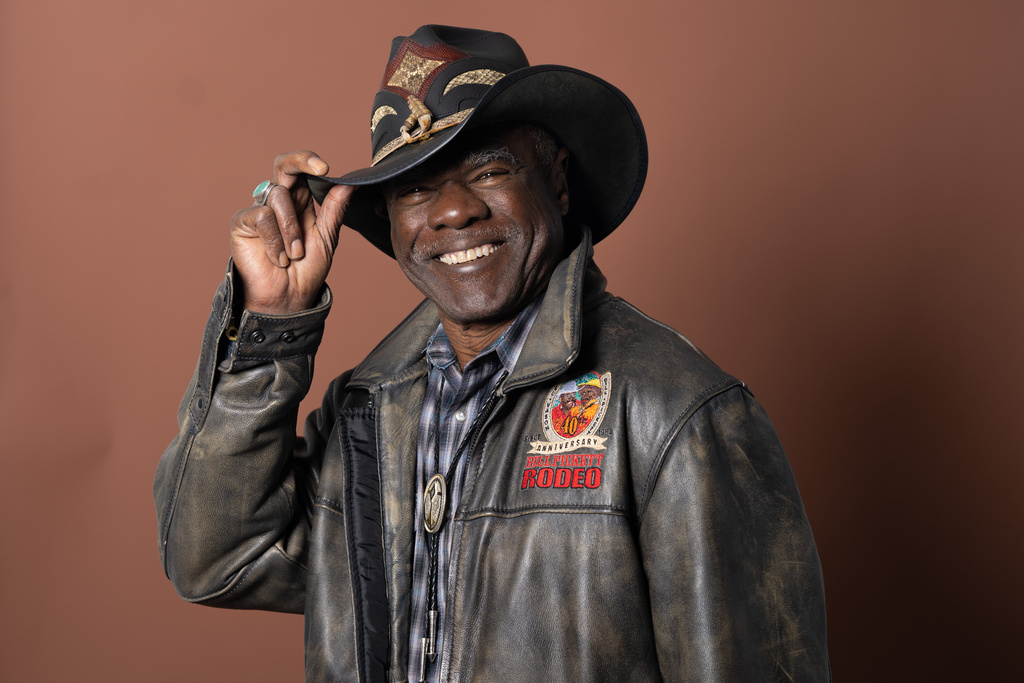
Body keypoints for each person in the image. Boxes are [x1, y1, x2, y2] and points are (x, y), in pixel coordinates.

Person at [154, 24, 830, 683]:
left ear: (557, 182)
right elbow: (215, 558)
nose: (452, 211)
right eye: (416, 188)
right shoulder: (369, 414)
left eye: (489, 168)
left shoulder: (677, 414)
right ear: (390, 221)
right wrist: (273, 321)